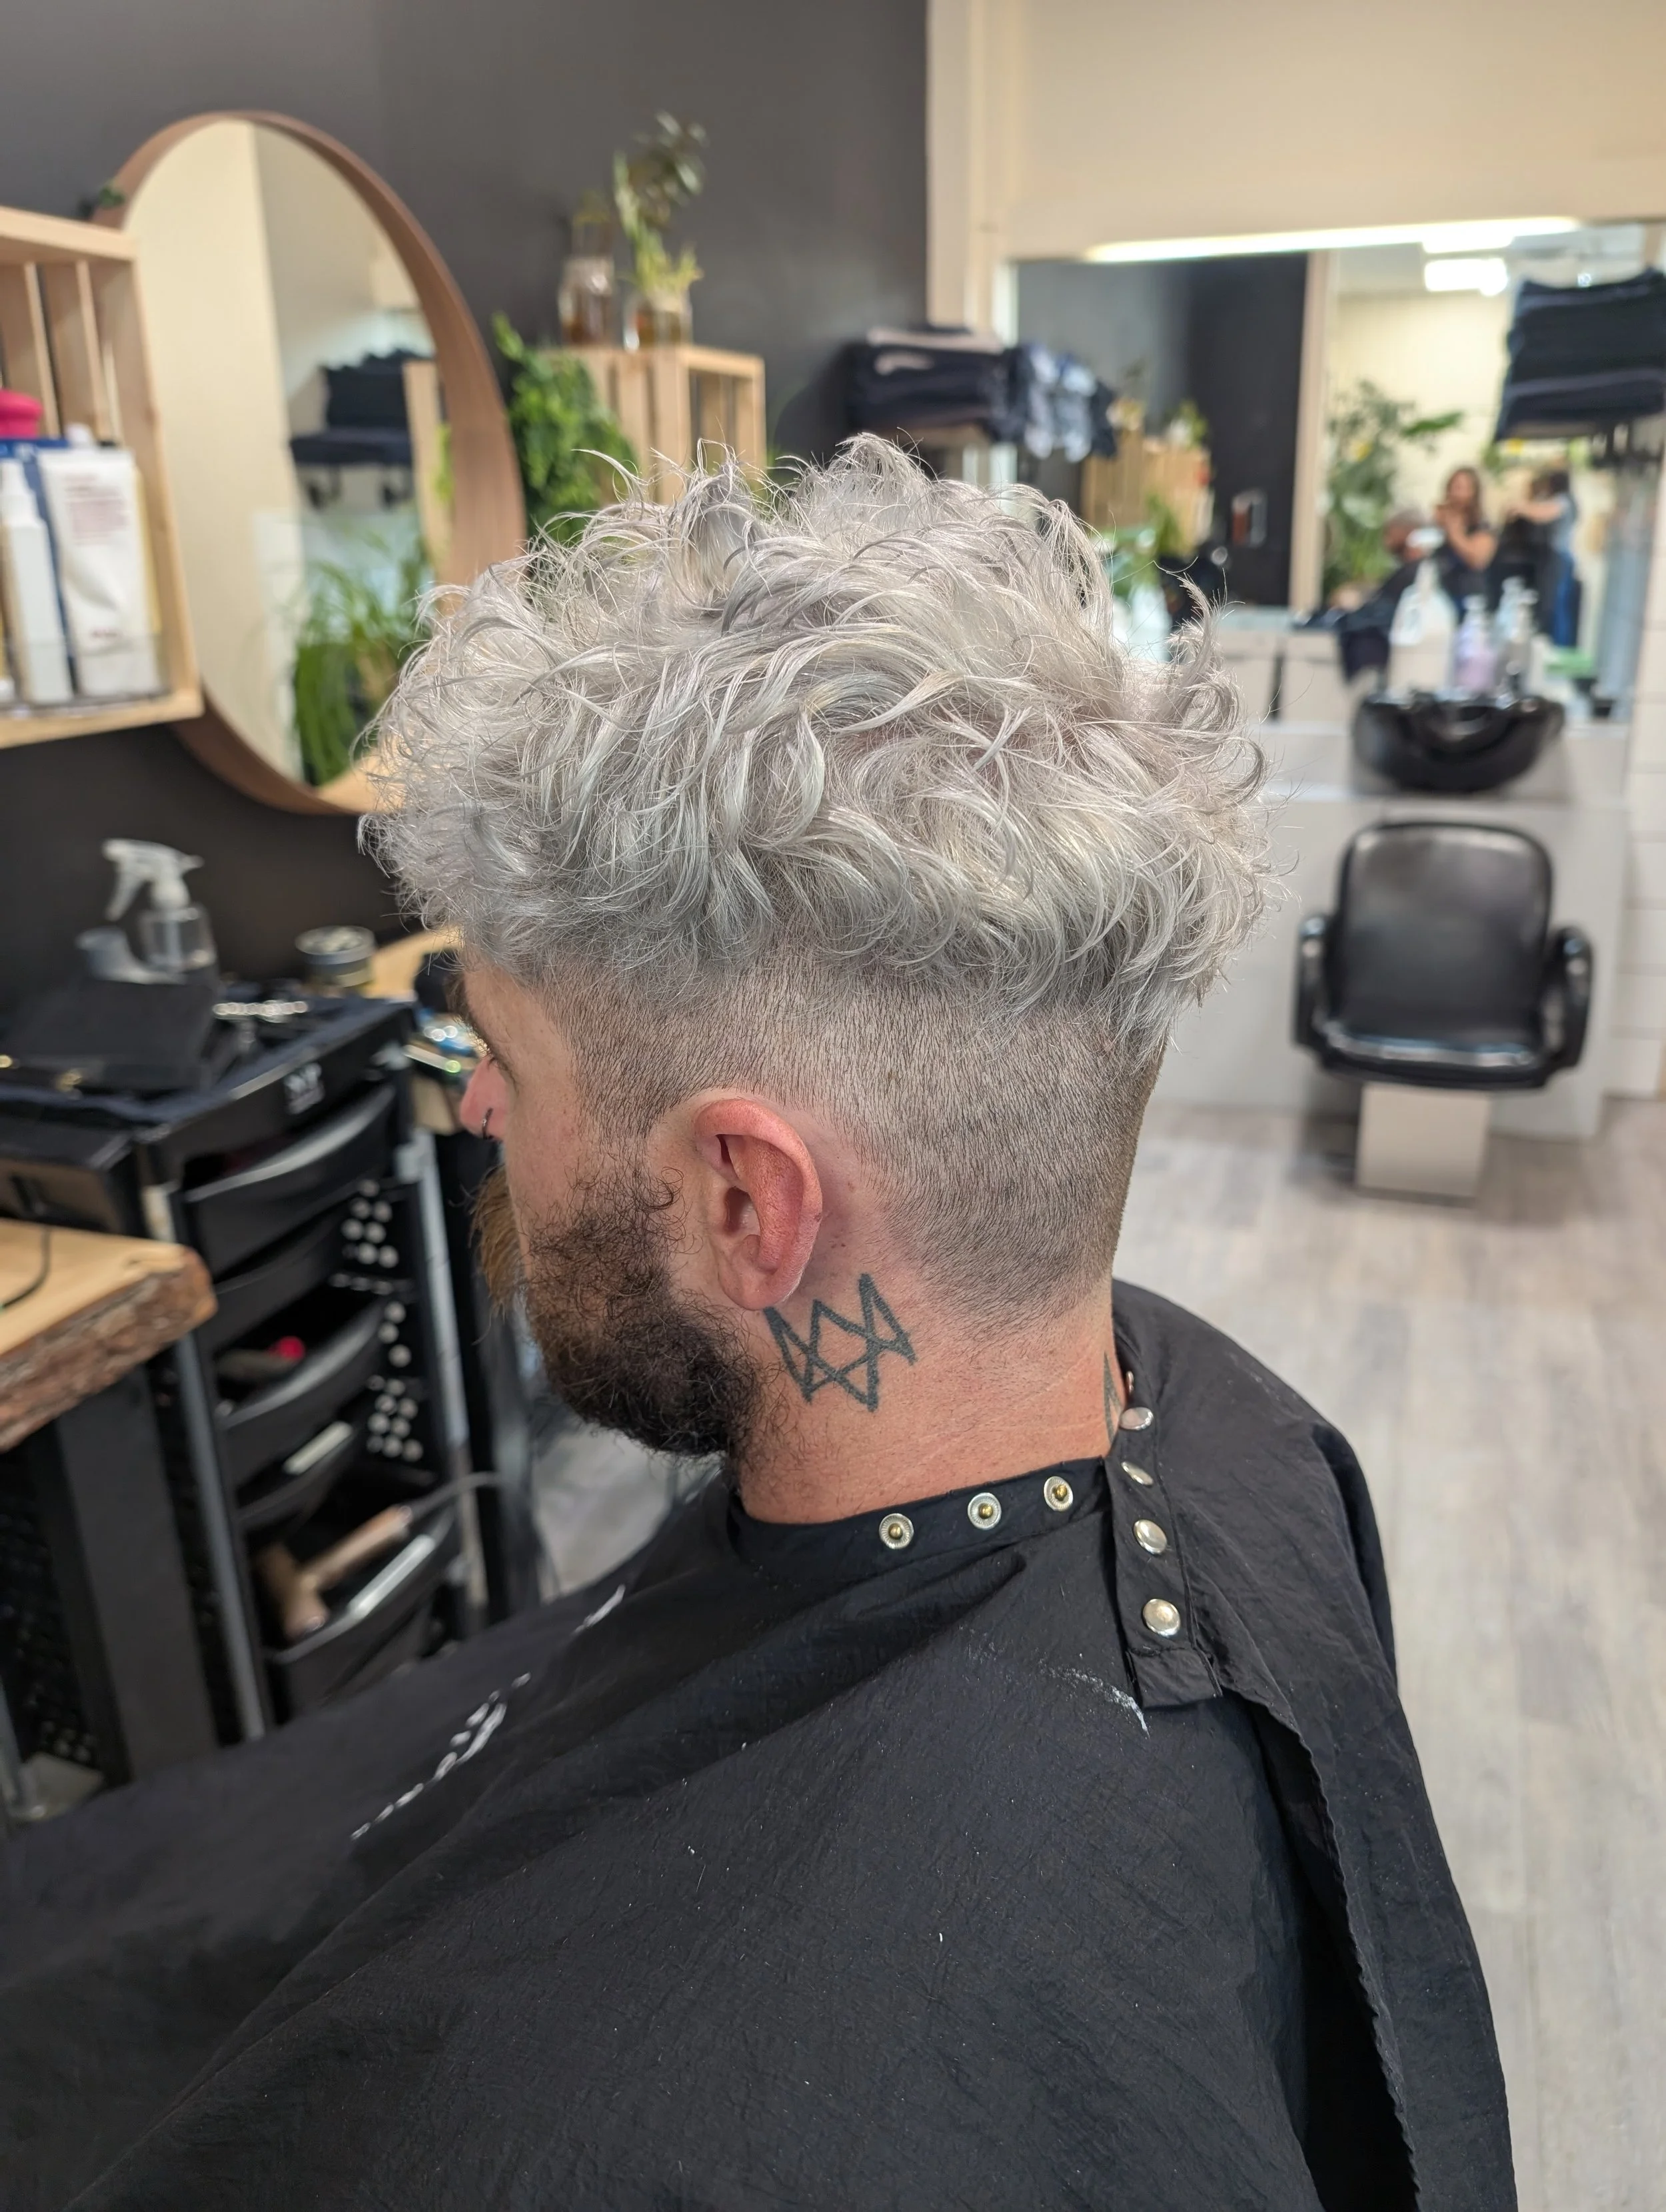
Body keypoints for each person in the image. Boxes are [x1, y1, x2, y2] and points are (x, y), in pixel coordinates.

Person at [0, 440, 1514, 2211]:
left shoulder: (720, 2124)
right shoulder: (1228, 1419)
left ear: (747, 1202)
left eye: (502, 1055)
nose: (478, 1112)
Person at [1433, 463, 1498, 612]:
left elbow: (1477, 560)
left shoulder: (1483, 528)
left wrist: (1453, 532)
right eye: (1452, 487)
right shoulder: (1440, 523)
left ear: (1474, 493)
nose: (1454, 493)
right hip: (1441, 594)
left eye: (1460, 488)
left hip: (1469, 598)